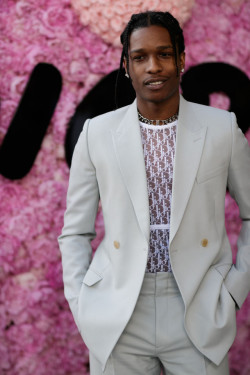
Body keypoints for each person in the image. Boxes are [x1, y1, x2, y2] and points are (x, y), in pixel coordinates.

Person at [58, 11, 250, 375]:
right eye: (140, 57)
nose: (153, 67)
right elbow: (75, 231)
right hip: (119, 309)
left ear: (181, 60)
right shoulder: (97, 134)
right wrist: (81, 300)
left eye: (164, 54)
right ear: (126, 65)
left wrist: (234, 289)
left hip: (198, 303)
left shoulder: (222, 128)